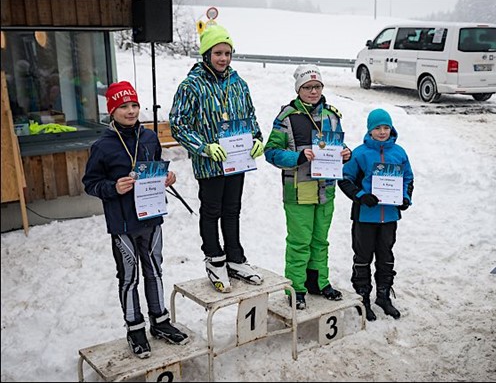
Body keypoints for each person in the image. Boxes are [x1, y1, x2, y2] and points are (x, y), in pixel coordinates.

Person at [82, 81, 189, 359]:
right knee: (129, 276)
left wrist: (166, 178)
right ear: (112, 110)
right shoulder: (102, 146)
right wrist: (113, 188)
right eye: (123, 106)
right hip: (123, 224)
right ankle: (135, 327)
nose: (131, 111)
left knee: (154, 270)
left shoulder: (150, 137)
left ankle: (160, 321)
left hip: (151, 218)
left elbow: (155, 167)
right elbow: (90, 183)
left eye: (134, 105)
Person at [169, 24, 264, 293]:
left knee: (232, 209)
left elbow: (250, 118)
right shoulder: (191, 85)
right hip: (210, 162)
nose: (223, 58)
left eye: (228, 53)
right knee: (212, 210)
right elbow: (179, 124)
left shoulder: (238, 84)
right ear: (206, 54)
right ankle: (215, 258)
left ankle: (235, 257)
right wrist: (204, 147)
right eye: (218, 53)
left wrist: (257, 139)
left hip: (237, 160)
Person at [264, 64, 351, 310]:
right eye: (307, 87)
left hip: (326, 191)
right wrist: (299, 157)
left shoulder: (332, 115)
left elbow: (338, 145)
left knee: (320, 240)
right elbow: (271, 152)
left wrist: (347, 153)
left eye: (317, 86)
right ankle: (296, 288)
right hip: (298, 191)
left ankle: (318, 282)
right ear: (298, 89)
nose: (313, 91)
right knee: (299, 242)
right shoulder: (286, 117)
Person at [338, 108, 414, 321]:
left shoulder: (399, 153)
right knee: (363, 257)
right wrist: (362, 196)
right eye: (377, 128)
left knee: (386, 256)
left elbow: (408, 179)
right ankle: (363, 298)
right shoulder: (360, 153)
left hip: (389, 216)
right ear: (369, 130)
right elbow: (345, 179)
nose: (382, 132)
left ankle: (383, 295)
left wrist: (405, 199)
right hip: (365, 216)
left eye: (386, 127)